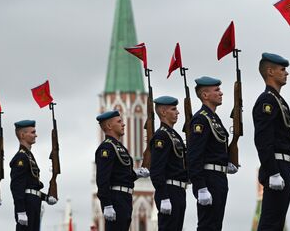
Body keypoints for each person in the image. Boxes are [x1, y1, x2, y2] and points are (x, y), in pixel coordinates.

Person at [252, 53, 290, 230]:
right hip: (276, 166)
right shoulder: (267, 101)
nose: (286, 73)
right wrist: (272, 172)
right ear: (270, 71)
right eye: (282, 69)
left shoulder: (278, 100)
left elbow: (281, 134)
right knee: (270, 223)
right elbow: (263, 140)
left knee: (277, 223)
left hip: (284, 165)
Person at [187, 76, 237, 231]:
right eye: (217, 90)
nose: (221, 93)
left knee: (215, 225)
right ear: (205, 95)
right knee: (207, 225)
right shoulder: (201, 120)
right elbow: (194, 155)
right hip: (208, 179)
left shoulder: (213, 118)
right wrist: (200, 186)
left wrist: (227, 161)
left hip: (219, 178)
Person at [95, 110, 149, 231]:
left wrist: (136, 173)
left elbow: (121, 174)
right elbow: (102, 179)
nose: (123, 124)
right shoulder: (106, 148)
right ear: (109, 126)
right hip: (116, 199)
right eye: (119, 122)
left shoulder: (119, 147)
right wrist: (107, 204)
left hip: (125, 198)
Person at [10, 120, 57, 231]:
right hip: (27, 204)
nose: (36, 135)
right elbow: (17, 186)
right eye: (32, 132)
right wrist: (20, 210)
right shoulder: (21, 157)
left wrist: (45, 197)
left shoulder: (28, 156)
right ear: (22, 135)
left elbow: (31, 185)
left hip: (34, 202)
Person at [150, 96, 188, 231]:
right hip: (169, 191)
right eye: (174, 109)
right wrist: (164, 197)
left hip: (178, 191)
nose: (177, 112)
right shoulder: (161, 136)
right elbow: (156, 170)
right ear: (163, 112)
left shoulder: (173, 135)